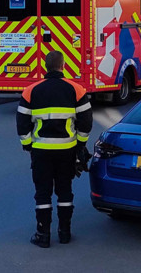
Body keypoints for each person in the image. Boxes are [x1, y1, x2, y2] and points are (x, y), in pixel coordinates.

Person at [16, 51, 93, 248]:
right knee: (65, 190)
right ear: (63, 66)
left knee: (43, 192)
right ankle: (65, 233)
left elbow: (22, 121)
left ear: (45, 67)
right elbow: (86, 122)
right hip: (67, 150)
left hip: (41, 150)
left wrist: (27, 144)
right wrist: (81, 144)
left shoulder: (30, 91)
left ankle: (43, 234)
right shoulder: (76, 89)